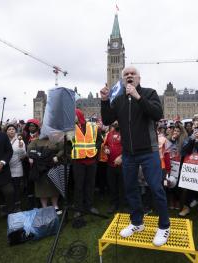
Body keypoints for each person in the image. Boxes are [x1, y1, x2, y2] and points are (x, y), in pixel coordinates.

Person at [100, 66, 170, 247]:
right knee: (130, 189)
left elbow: (157, 113)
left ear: (139, 78)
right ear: (123, 79)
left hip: (149, 151)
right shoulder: (119, 99)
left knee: (156, 188)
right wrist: (105, 100)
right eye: (126, 74)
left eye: (132, 74)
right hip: (129, 154)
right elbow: (107, 120)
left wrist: (138, 97)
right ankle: (137, 222)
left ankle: (164, 226)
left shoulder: (149, 93)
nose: (129, 76)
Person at [71, 109, 103, 217]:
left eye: (73, 115)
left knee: (90, 185)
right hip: (78, 161)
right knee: (79, 186)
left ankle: (89, 206)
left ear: (78, 116)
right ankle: (78, 208)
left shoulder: (93, 126)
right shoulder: (71, 128)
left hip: (91, 161)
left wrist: (95, 149)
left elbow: (100, 140)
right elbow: (67, 143)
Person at [27, 134, 64, 215]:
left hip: (52, 165)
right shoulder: (35, 140)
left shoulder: (55, 140)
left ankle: (55, 206)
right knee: (41, 188)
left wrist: (57, 156)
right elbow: (29, 150)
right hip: (39, 168)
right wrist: (30, 157)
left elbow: (62, 149)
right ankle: (45, 207)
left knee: (54, 186)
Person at [103, 121, 124, 214]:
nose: (115, 123)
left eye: (117, 121)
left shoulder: (125, 132)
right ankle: (113, 204)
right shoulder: (110, 134)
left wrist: (121, 157)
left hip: (123, 165)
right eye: (114, 121)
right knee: (112, 186)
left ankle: (124, 205)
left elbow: (129, 147)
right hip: (110, 165)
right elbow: (105, 144)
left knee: (123, 186)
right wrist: (106, 149)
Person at [6, 124, 26, 212]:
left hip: (17, 166)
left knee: (16, 187)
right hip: (6, 167)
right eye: (9, 129)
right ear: (6, 131)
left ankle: (17, 205)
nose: (11, 131)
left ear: (15, 131)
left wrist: (21, 148)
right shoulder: (4, 140)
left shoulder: (19, 140)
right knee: (8, 188)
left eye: (13, 129)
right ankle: (8, 205)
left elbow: (23, 155)